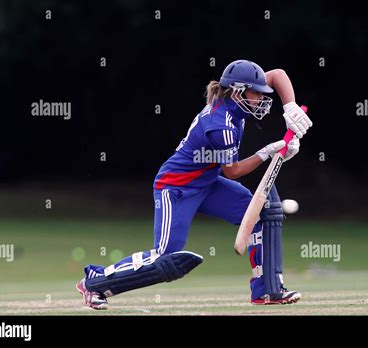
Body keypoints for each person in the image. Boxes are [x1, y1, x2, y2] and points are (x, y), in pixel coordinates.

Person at [76, 59, 312, 310]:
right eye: (256, 94)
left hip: (207, 183)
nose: (261, 100)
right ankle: (95, 281)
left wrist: (291, 108)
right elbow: (232, 172)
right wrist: (269, 152)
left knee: (264, 214)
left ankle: (267, 291)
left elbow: (277, 74)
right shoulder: (221, 126)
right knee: (165, 257)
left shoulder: (234, 99)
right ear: (237, 91)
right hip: (176, 188)